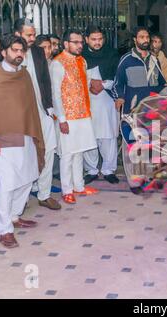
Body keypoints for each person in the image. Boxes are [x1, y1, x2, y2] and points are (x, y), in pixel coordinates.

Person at [0, 35, 45, 248]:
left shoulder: (24, 75)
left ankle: (15, 216)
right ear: (4, 52)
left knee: (27, 178)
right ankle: (4, 229)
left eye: (21, 51)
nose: (18, 54)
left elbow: (31, 106)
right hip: (1, 139)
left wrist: (35, 134)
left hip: (25, 134)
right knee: (4, 185)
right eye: (14, 50)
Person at [113, 26, 167, 194]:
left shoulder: (154, 60)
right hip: (132, 112)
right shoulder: (126, 60)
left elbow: (160, 84)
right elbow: (117, 83)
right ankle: (135, 182)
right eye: (142, 37)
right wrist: (120, 97)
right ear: (135, 40)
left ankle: (151, 178)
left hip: (151, 111)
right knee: (133, 148)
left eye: (147, 37)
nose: (145, 39)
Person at [14, 18, 61, 211]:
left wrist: (49, 108)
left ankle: (44, 194)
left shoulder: (38, 52)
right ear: (18, 34)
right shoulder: (8, 54)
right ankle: (21, 199)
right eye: (29, 35)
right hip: (20, 115)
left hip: (42, 110)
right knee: (25, 155)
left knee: (48, 150)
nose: (33, 38)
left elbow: (45, 80)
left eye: (34, 34)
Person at [50, 29, 98, 204]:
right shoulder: (57, 63)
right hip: (67, 117)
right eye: (75, 42)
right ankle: (67, 190)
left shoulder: (82, 61)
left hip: (83, 114)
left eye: (81, 42)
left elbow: (84, 86)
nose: (80, 45)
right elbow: (55, 94)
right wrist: (61, 119)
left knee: (79, 151)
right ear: (66, 44)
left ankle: (79, 186)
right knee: (68, 154)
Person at [82, 25, 120, 185]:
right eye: (93, 39)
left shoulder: (112, 54)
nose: (97, 42)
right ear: (86, 40)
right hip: (86, 101)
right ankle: (91, 170)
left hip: (106, 101)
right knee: (89, 136)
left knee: (108, 136)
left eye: (100, 39)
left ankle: (108, 169)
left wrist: (103, 85)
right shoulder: (80, 56)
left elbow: (119, 77)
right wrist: (90, 82)